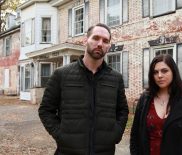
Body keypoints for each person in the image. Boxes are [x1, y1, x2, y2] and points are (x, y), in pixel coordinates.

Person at [38, 23, 129, 155]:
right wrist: (60, 135)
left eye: (105, 41)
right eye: (95, 38)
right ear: (85, 40)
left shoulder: (115, 78)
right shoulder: (61, 75)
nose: (100, 44)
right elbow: (46, 110)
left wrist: (116, 134)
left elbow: (122, 110)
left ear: (109, 46)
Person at [130, 54, 182, 155]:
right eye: (155, 72)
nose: (160, 75)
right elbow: (135, 135)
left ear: (173, 72)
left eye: (164, 71)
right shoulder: (145, 99)